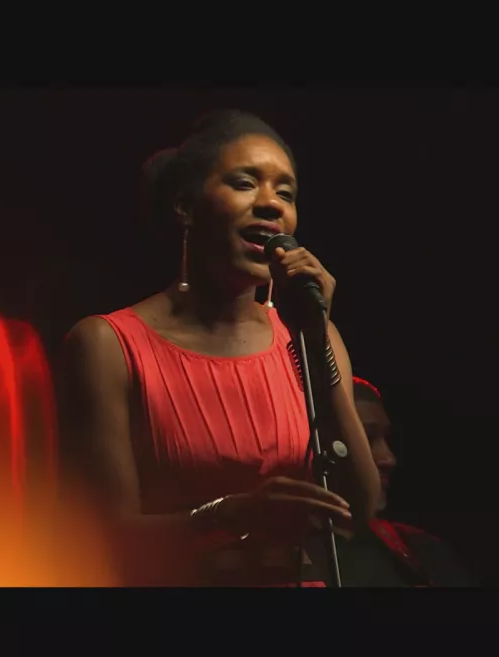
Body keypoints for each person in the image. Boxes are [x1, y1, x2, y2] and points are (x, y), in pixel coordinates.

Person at [58, 109, 381, 586]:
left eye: (286, 193)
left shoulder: (312, 335)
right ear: (185, 207)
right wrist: (229, 516)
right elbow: (96, 536)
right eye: (245, 183)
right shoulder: (107, 346)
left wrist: (314, 340)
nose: (271, 204)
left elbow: (361, 506)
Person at [335, 376, 476, 586]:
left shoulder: (421, 549)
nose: (389, 458)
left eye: (386, 438)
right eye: (366, 438)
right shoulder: (290, 558)